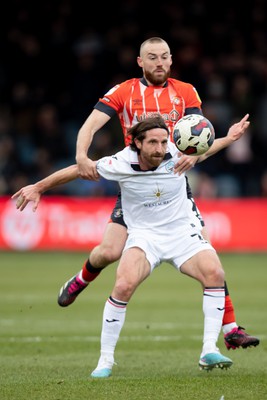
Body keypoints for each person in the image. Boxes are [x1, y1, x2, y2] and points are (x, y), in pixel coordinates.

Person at [13, 37, 259, 351]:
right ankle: (82, 279)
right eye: (152, 57)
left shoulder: (186, 91)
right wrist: (81, 156)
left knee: (207, 253)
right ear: (140, 62)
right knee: (107, 253)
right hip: (134, 182)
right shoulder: (123, 91)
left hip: (172, 184)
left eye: (164, 57)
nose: (159, 62)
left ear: (171, 60)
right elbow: (89, 126)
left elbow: (198, 134)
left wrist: (196, 156)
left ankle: (230, 329)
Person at [13, 116, 236, 375]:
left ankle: (209, 349)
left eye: (163, 142)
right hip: (144, 236)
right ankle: (105, 361)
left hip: (181, 233)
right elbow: (77, 171)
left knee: (215, 273)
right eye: (153, 142)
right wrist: (39, 187)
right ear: (137, 143)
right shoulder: (120, 162)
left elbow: (206, 147)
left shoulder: (178, 150)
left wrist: (230, 138)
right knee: (123, 284)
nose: (160, 148)